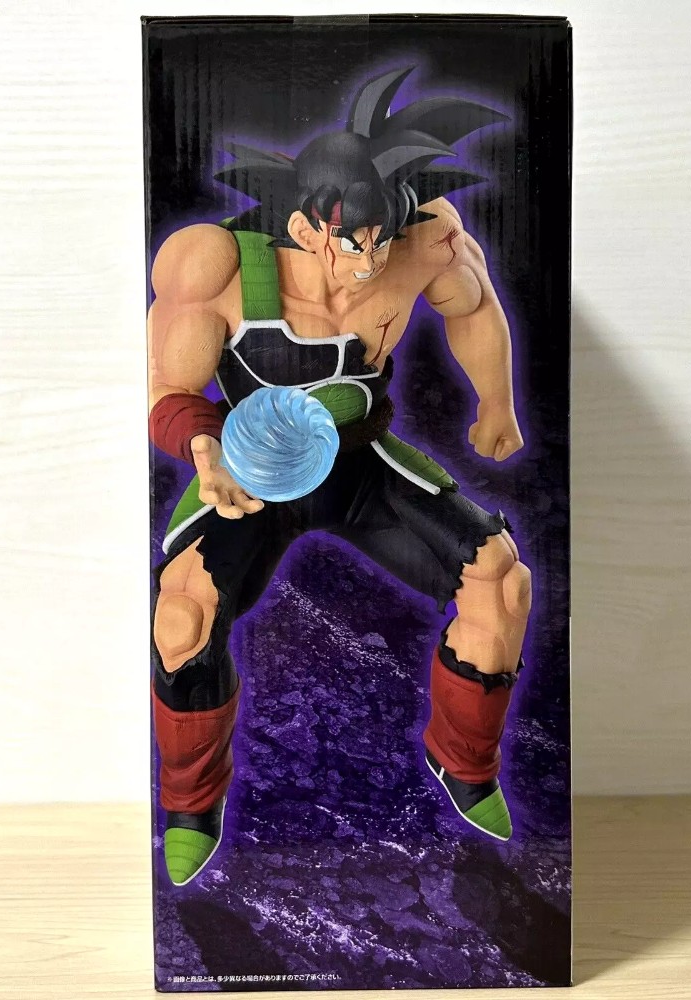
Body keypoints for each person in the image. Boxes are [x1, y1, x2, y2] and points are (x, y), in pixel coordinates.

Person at [147, 68, 531, 885]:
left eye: (382, 239)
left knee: (501, 584)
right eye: (355, 243)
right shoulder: (216, 268)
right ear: (305, 226)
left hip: (360, 463)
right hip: (251, 472)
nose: (371, 261)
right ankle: (190, 805)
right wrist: (205, 453)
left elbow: (472, 307)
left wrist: (496, 402)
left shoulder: (423, 240)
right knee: (181, 621)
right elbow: (169, 392)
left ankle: (463, 764)